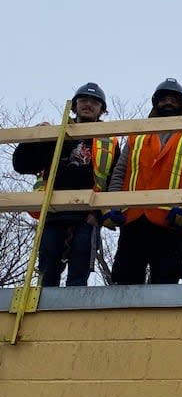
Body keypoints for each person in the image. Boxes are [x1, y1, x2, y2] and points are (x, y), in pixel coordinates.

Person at [13, 82, 120, 286]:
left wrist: (98, 214)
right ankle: (43, 313)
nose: (88, 104)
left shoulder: (109, 142)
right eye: (83, 100)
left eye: (94, 102)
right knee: (48, 265)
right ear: (75, 105)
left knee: (79, 268)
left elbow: (114, 180)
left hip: (86, 213)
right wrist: (33, 138)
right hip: (53, 211)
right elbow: (23, 165)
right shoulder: (56, 135)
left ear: (102, 110)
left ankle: (73, 311)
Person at [102, 78, 182, 284]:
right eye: (163, 98)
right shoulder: (137, 136)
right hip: (134, 218)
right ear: (155, 103)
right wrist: (112, 206)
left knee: (166, 278)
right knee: (125, 278)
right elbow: (120, 173)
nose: (167, 102)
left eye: (173, 99)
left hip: (171, 219)